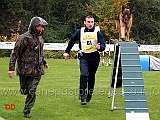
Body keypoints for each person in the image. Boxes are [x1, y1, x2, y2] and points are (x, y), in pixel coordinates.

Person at [8, 16, 49, 118]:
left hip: (37, 70)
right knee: (24, 91)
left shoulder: (40, 38)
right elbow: (15, 53)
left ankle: (27, 111)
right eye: (41, 27)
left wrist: (44, 62)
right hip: (24, 69)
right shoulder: (24, 38)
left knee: (32, 90)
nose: (43, 29)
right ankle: (24, 90)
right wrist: (11, 68)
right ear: (35, 26)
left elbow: (40, 52)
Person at [63, 15, 106, 105]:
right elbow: (71, 40)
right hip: (83, 57)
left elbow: (103, 46)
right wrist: (67, 52)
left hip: (94, 58)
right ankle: (82, 95)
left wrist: (99, 47)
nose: (90, 24)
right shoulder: (80, 32)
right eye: (88, 22)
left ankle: (89, 94)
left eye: (92, 22)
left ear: (94, 23)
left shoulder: (97, 32)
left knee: (91, 77)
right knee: (84, 74)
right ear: (85, 22)